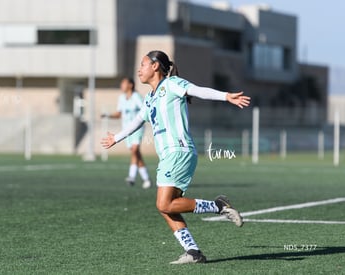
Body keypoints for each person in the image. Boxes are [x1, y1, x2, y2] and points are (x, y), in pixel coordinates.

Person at [101, 50, 251, 264]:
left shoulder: (171, 84)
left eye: (143, 64)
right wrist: (116, 137)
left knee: (164, 204)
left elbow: (198, 91)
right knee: (168, 206)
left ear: (155, 66)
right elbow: (136, 121)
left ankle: (219, 206)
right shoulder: (149, 98)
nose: (139, 69)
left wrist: (225, 96)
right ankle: (193, 252)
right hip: (169, 156)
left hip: (179, 151)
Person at [102, 77, 152, 189]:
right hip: (126, 130)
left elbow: (145, 110)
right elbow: (119, 114)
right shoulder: (121, 98)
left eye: (124, 83)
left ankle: (131, 176)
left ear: (130, 85)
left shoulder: (137, 97)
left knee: (135, 150)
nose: (121, 85)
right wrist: (108, 115)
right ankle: (146, 179)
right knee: (136, 154)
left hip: (137, 129)